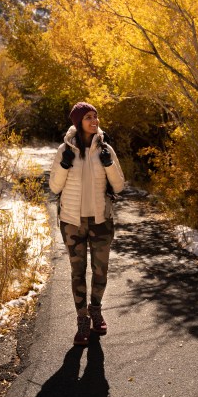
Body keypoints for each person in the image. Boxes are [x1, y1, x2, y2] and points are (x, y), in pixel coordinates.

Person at [49, 102, 125, 346]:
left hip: (101, 219)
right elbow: (54, 187)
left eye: (96, 116)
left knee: (100, 270)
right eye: (89, 117)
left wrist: (108, 164)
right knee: (77, 271)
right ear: (78, 122)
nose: (95, 121)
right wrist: (64, 164)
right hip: (72, 221)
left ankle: (96, 309)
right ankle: (82, 320)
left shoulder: (106, 149)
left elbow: (120, 185)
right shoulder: (65, 150)